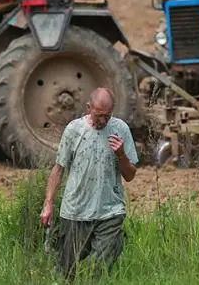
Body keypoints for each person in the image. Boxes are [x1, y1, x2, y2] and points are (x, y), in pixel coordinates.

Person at [40, 87, 139, 280]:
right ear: (88, 107)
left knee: (99, 270)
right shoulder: (74, 130)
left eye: (107, 116)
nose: (103, 120)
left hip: (110, 211)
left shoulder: (121, 129)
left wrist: (121, 155)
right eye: (99, 115)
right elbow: (58, 169)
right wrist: (48, 203)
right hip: (76, 211)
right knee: (66, 270)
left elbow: (130, 175)